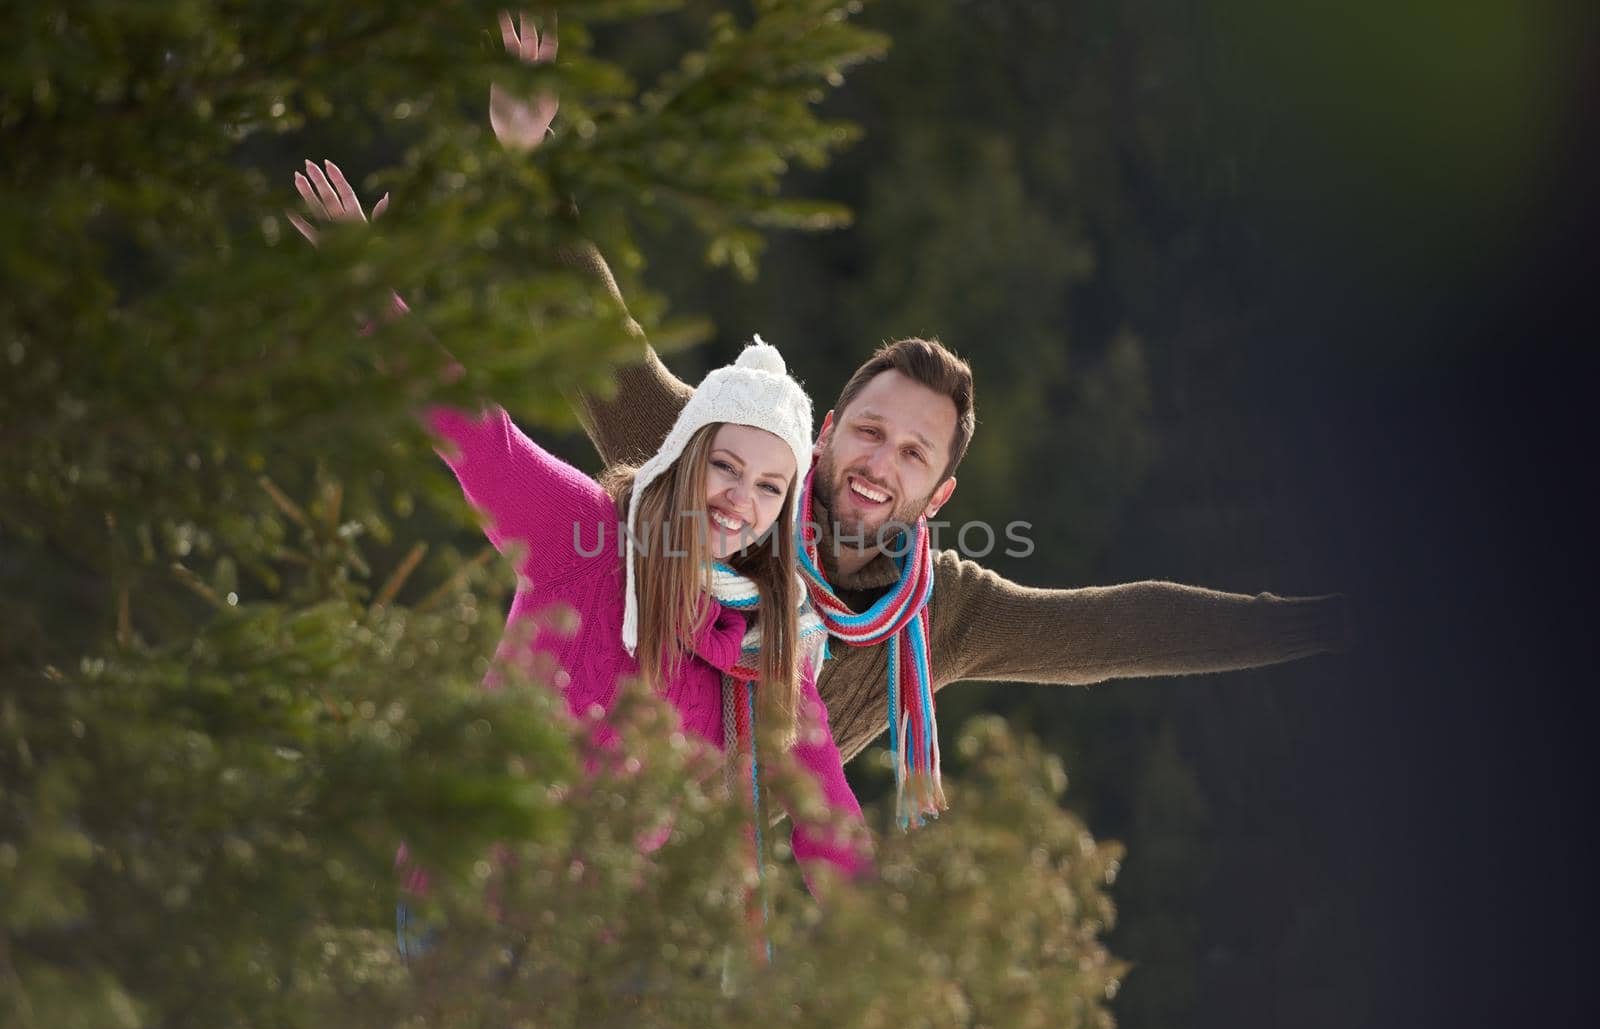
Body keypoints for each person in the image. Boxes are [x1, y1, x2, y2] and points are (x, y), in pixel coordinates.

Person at [479, 12, 1350, 827]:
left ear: (937, 494)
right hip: (521, 826)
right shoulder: (713, 461)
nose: (878, 463)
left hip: (651, 918)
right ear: (824, 433)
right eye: (868, 431)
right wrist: (526, 157)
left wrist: (1316, 622)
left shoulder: (942, 618)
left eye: (911, 454)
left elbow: (1121, 625)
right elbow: (594, 333)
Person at [288, 161, 869, 903]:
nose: (739, 499)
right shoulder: (588, 539)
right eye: (725, 466)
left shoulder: (772, 655)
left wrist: (884, 962)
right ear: (686, 460)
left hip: (593, 958)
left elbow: (830, 826)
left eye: (767, 487)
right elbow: (479, 437)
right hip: (467, 895)